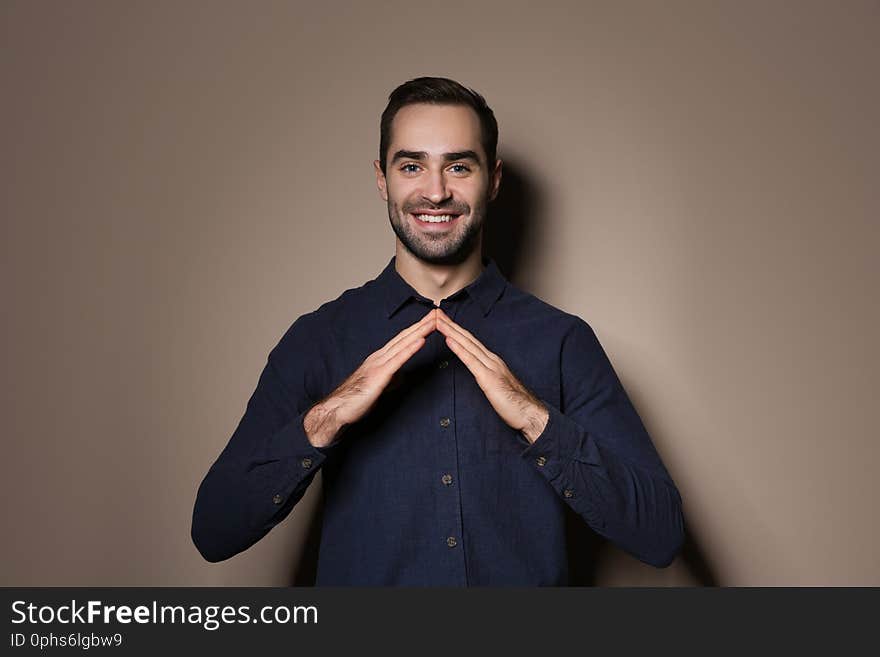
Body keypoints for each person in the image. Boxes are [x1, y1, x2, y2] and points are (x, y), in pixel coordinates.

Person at [191, 76, 684, 585]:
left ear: (492, 180)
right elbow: (215, 530)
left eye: (458, 166)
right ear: (382, 179)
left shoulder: (562, 342)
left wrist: (537, 420)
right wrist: (327, 418)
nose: (435, 191)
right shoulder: (318, 339)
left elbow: (661, 535)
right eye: (411, 166)